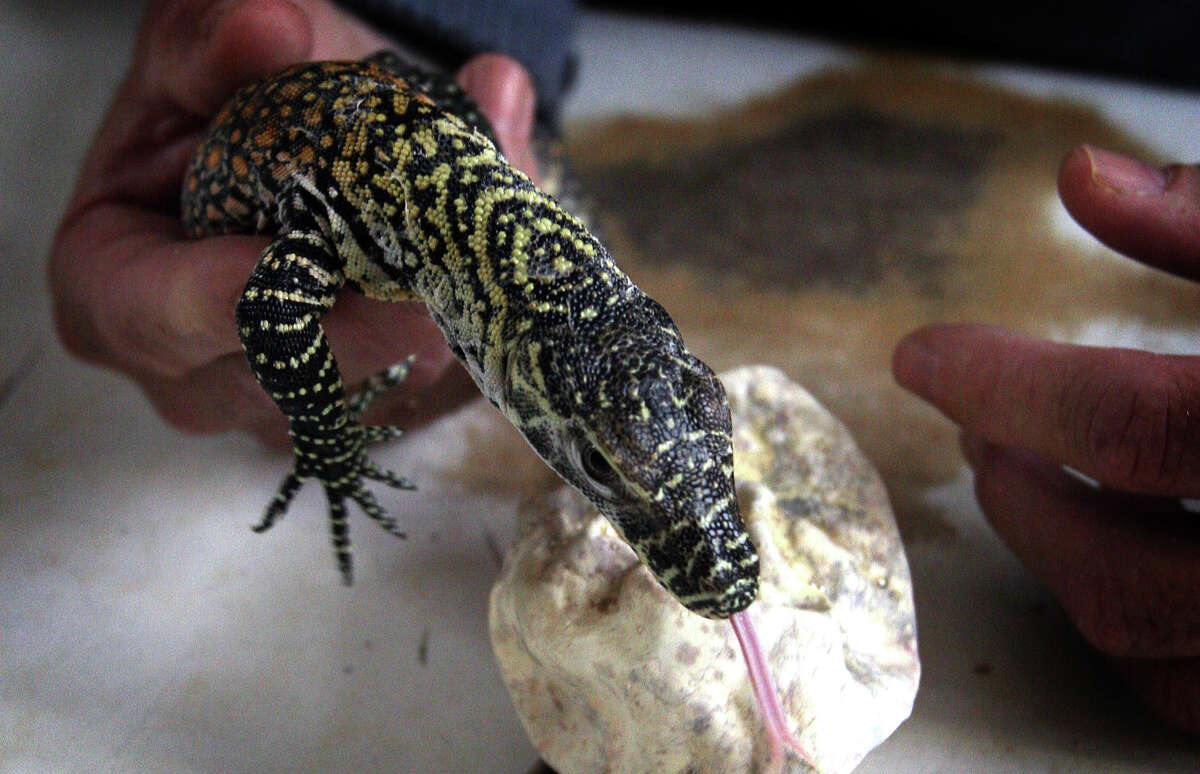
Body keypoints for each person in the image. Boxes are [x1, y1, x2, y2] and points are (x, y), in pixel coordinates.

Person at [48, 0, 1197, 733]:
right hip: (243, 171)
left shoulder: (509, 236)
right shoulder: (374, 231)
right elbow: (276, 311)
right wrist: (329, 437)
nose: (708, 552)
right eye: (607, 463)